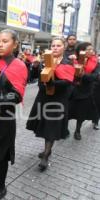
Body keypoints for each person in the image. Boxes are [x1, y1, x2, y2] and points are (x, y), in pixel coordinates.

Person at [0, 29, 28, 200]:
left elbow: (16, 96)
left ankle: (1, 186)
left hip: (3, 119)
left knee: (1, 155)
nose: (0, 44)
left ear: (15, 44)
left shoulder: (18, 65)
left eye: (5, 41)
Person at [26, 37, 75, 171]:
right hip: (44, 97)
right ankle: (47, 150)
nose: (55, 48)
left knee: (51, 127)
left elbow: (68, 82)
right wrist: (35, 68)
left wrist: (53, 83)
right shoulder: (45, 60)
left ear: (63, 47)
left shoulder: (68, 63)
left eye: (58, 45)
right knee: (45, 125)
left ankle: (46, 155)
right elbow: (38, 78)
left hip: (58, 99)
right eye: (53, 45)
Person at [69, 42, 100, 139]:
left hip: (86, 91)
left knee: (81, 113)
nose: (91, 51)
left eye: (92, 49)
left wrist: (83, 75)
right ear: (81, 51)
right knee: (67, 110)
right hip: (71, 90)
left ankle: (77, 130)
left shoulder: (95, 63)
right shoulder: (73, 60)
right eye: (88, 49)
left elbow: (95, 76)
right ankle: (64, 128)